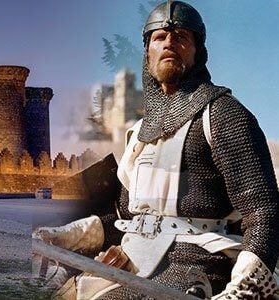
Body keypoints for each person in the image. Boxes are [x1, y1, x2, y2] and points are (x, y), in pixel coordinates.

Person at [33, 1, 279, 299]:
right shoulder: (139, 133)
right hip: (131, 261)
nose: (170, 43)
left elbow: (263, 210)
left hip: (198, 265)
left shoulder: (225, 115)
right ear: (147, 50)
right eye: (160, 37)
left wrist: (246, 288)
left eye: (181, 37)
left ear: (197, 52)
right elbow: (124, 214)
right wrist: (67, 235)